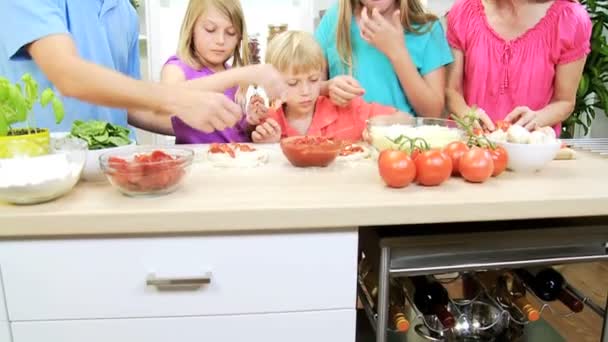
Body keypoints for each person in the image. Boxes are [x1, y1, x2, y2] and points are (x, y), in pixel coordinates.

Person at [0, 1, 250, 136]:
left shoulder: (126, 14)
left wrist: (214, 126)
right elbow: (67, 75)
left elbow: (130, 106)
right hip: (38, 168)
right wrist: (180, 98)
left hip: (112, 166)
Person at [445, 0, 592, 135]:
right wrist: (467, 115)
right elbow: (452, 90)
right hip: (468, 149)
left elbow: (564, 101)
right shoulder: (463, 11)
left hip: (531, 152)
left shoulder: (571, 19)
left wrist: (536, 119)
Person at [160, 0, 287, 144]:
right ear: (191, 28)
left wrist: (251, 122)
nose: (220, 40)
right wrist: (238, 75)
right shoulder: (177, 68)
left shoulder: (231, 73)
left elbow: (232, 132)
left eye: (231, 33)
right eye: (210, 29)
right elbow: (167, 97)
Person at [250, 31, 408, 143]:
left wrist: (379, 126)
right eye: (293, 83)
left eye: (313, 80)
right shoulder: (269, 122)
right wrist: (269, 146)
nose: (306, 91)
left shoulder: (347, 109)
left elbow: (406, 119)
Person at [314, 0, 453, 118]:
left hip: (401, 144)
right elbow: (304, 86)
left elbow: (433, 112)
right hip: (346, 143)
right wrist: (327, 88)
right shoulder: (334, 19)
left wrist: (397, 52)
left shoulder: (427, 28)